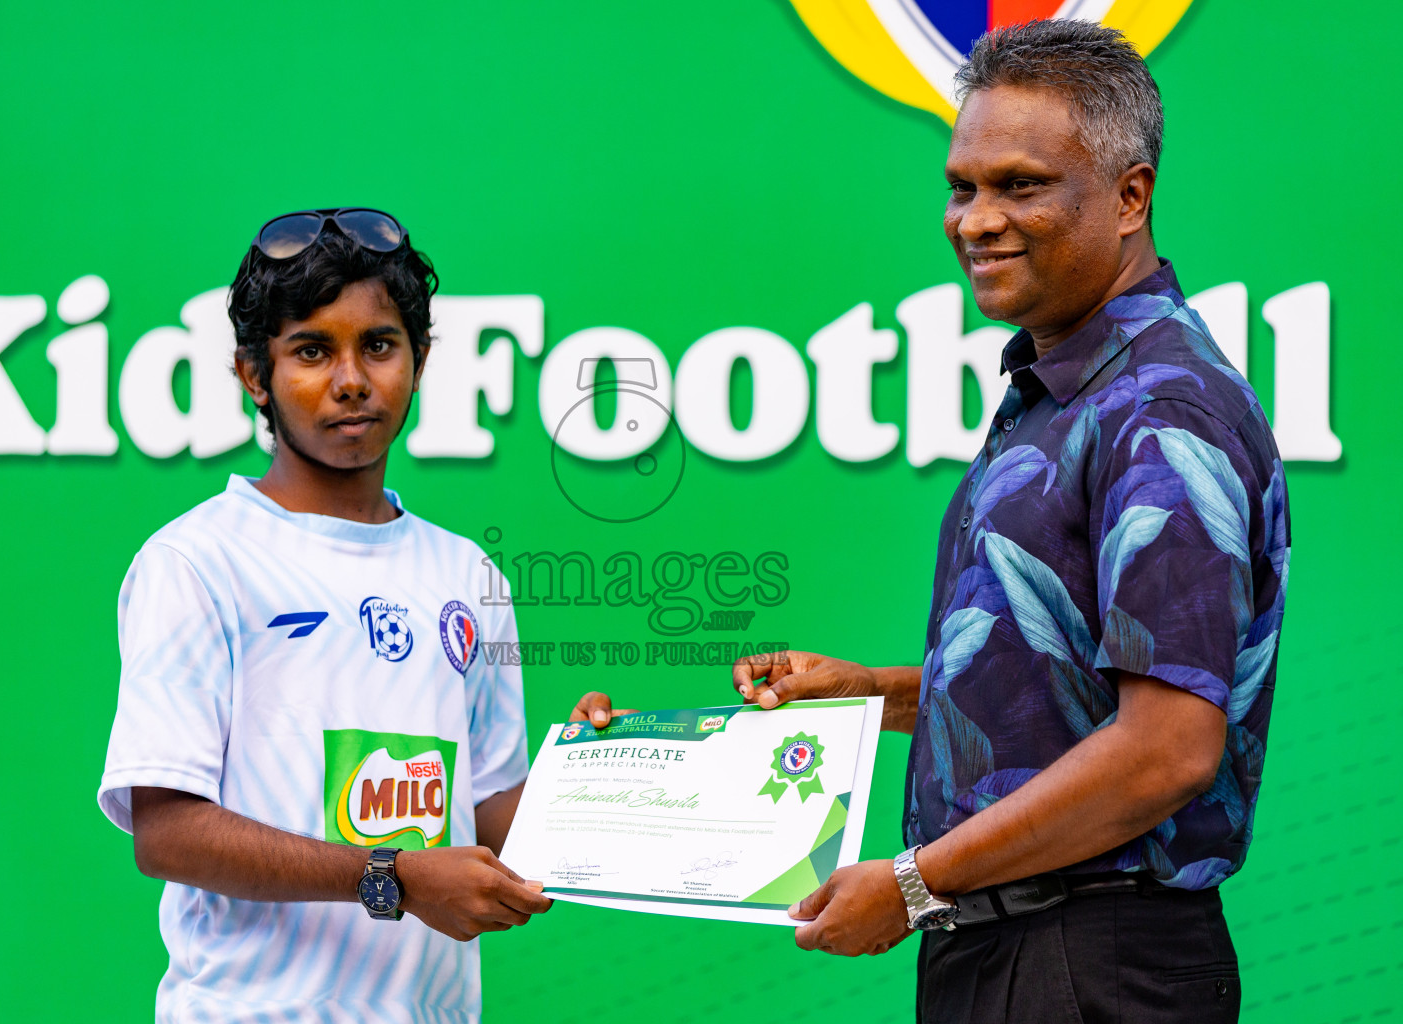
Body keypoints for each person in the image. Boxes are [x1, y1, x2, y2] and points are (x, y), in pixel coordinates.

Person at [585, 20, 1288, 1023]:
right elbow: (1079, 684)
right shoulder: (1068, 392)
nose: (977, 220)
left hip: (1086, 964)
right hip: (1019, 950)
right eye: (963, 187)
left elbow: (1167, 746)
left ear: (1132, 197)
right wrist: (874, 693)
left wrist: (916, 880)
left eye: (1021, 185)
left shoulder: (1158, 408)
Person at [98, 209, 590, 1023]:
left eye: (379, 346)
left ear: (420, 362)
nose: (351, 379)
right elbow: (168, 831)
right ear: (255, 376)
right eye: (312, 350)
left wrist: (598, 779)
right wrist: (393, 877)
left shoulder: (468, 574)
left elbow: (497, 810)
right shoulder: (197, 561)